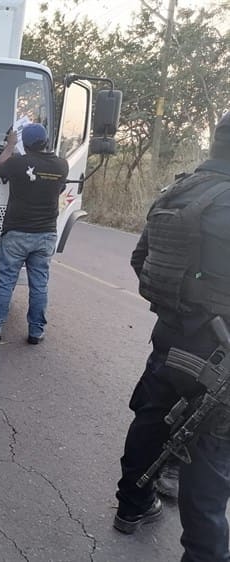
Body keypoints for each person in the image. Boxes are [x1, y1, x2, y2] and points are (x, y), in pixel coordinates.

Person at [113, 112, 230, 562]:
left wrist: (181, 308)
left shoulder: (180, 191)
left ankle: (131, 506)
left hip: (172, 334)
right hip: (220, 351)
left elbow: (140, 259)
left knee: (150, 420)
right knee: (211, 461)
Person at [0, 123, 68, 344]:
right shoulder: (61, 165)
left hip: (17, 233)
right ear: (46, 141)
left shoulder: (20, 163)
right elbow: (61, 188)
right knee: (39, 284)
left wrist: (9, 145)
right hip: (46, 234)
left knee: (6, 282)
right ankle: (36, 332)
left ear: (24, 144)